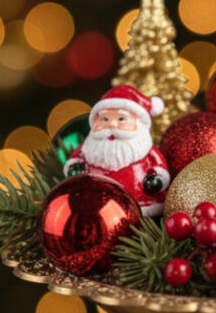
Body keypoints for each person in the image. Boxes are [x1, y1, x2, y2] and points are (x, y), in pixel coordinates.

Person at [64, 85, 170, 216]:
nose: (112, 125)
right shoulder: (89, 146)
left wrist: (158, 179)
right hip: (94, 201)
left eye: (121, 119)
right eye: (105, 119)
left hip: (141, 202)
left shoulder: (145, 148)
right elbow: (75, 159)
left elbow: (159, 167)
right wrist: (74, 167)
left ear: (139, 123)